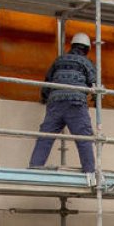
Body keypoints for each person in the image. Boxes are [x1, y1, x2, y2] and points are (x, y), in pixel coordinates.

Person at [28, 32, 96, 173]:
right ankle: (90, 171)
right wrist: (96, 100)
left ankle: (34, 168)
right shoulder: (86, 63)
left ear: (72, 46)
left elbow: (47, 82)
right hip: (75, 103)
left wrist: (45, 97)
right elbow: (95, 85)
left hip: (55, 103)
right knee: (84, 138)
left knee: (46, 136)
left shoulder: (59, 60)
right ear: (87, 49)